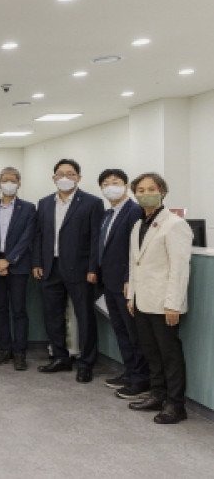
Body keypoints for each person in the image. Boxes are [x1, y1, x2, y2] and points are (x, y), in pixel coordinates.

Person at [126, 172, 193, 424]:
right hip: (142, 301)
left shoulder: (175, 224)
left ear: (162, 192)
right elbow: (135, 263)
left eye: (151, 189)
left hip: (165, 303)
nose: (146, 194)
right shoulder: (138, 224)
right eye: (140, 190)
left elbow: (179, 268)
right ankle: (157, 394)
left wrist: (173, 304)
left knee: (169, 355)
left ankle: (176, 405)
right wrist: (131, 296)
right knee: (151, 352)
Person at [33, 158, 103, 383]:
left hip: (80, 269)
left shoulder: (92, 203)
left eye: (70, 174)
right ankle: (60, 357)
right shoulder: (44, 203)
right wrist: (37, 263)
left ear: (79, 178)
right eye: (60, 174)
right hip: (50, 267)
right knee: (52, 315)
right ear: (53, 178)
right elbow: (39, 235)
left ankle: (86, 363)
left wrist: (93, 268)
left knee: (85, 317)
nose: (65, 178)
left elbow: (96, 239)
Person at [95, 169, 149, 398]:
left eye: (115, 182)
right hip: (109, 282)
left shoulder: (134, 211)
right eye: (106, 183)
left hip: (126, 284)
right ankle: (130, 372)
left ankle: (141, 380)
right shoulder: (108, 214)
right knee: (121, 331)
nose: (111, 187)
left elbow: (135, 250)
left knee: (134, 333)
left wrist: (129, 278)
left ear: (126, 186)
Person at [0, 167, 36, 371]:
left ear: (19, 183)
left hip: (18, 266)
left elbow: (27, 237)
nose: (8, 183)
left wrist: (9, 260)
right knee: (0, 310)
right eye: (5, 180)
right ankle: (4, 350)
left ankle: (20, 353)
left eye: (13, 180)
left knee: (19, 310)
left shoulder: (28, 208)